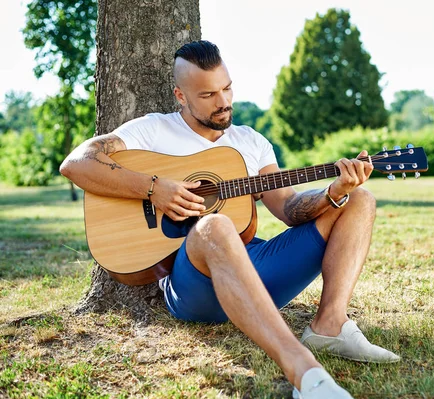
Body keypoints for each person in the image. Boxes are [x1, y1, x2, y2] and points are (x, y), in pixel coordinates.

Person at [60, 40, 399, 399]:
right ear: (180, 96)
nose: (222, 102)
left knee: (359, 199)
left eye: (227, 88)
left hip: (255, 266)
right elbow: (77, 163)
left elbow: (288, 208)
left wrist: (334, 192)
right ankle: (307, 374)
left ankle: (329, 325)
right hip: (193, 283)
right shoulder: (152, 130)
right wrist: (154, 188)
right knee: (215, 225)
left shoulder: (251, 143)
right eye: (207, 94)